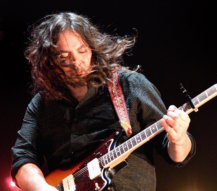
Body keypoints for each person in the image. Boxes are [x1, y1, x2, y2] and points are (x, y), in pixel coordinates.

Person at [11, 12, 196, 191]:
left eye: (82, 51)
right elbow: (22, 157)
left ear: (93, 47)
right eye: (64, 57)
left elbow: (175, 155)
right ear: (50, 61)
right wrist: (42, 188)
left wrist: (179, 139)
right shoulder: (42, 104)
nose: (76, 62)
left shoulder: (130, 85)